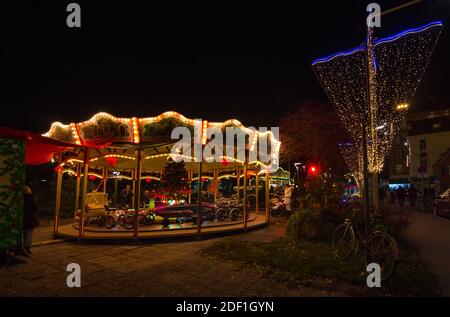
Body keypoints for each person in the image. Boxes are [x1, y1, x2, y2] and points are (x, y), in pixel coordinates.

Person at [22, 186, 39, 256]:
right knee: (29, 234)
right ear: (28, 191)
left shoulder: (20, 198)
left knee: (22, 234)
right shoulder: (31, 198)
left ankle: (21, 247)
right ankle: (26, 248)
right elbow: (35, 207)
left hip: (22, 219)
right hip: (30, 219)